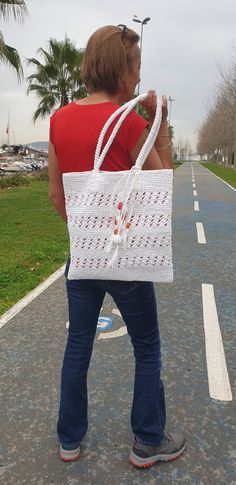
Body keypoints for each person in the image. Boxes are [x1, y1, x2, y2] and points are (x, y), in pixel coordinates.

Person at [48, 24, 186, 468]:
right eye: (137, 69)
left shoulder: (59, 120)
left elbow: (56, 194)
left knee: (78, 346)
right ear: (120, 69)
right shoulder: (128, 122)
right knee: (146, 347)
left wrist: (85, 232)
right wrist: (158, 121)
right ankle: (147, 440)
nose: (139, 79)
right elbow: (160, 186)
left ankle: (69, 439)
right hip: (126, 257)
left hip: (83, 258)